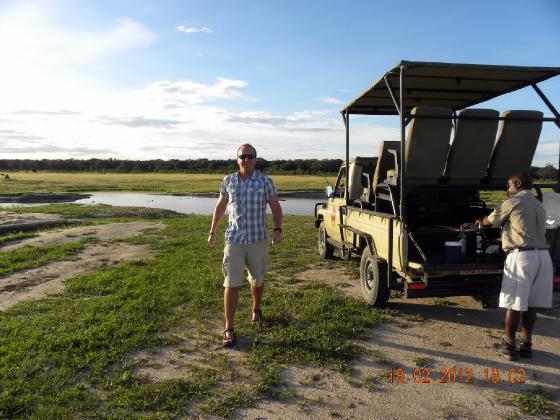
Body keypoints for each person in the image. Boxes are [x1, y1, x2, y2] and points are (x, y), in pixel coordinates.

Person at [208, 143, 283, 347]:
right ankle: (228, 328)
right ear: (237, 159)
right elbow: (221, 205)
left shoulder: (265, 181)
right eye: (243, 157)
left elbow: (275, 206)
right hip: (234, 239)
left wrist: (277, 229)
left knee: (257, 280)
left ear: (255, 159)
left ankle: (256, 308)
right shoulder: (229, 181)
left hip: (258, 239)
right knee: (230, 282)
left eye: (250, 157)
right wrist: (213, 231)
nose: (246, 160)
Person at [477, 172, 553, 360]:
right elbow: (527, 230)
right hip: (543, 257)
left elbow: (490, 221)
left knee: (514, 304)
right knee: (531, 305)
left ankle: (508, 346)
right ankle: (526, 345)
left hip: (522, 259)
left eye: (508, 185)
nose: (507, 188)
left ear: (518, 183)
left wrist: (480, 222)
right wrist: (505, 236)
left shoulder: (512, 202)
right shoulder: (538, 204)